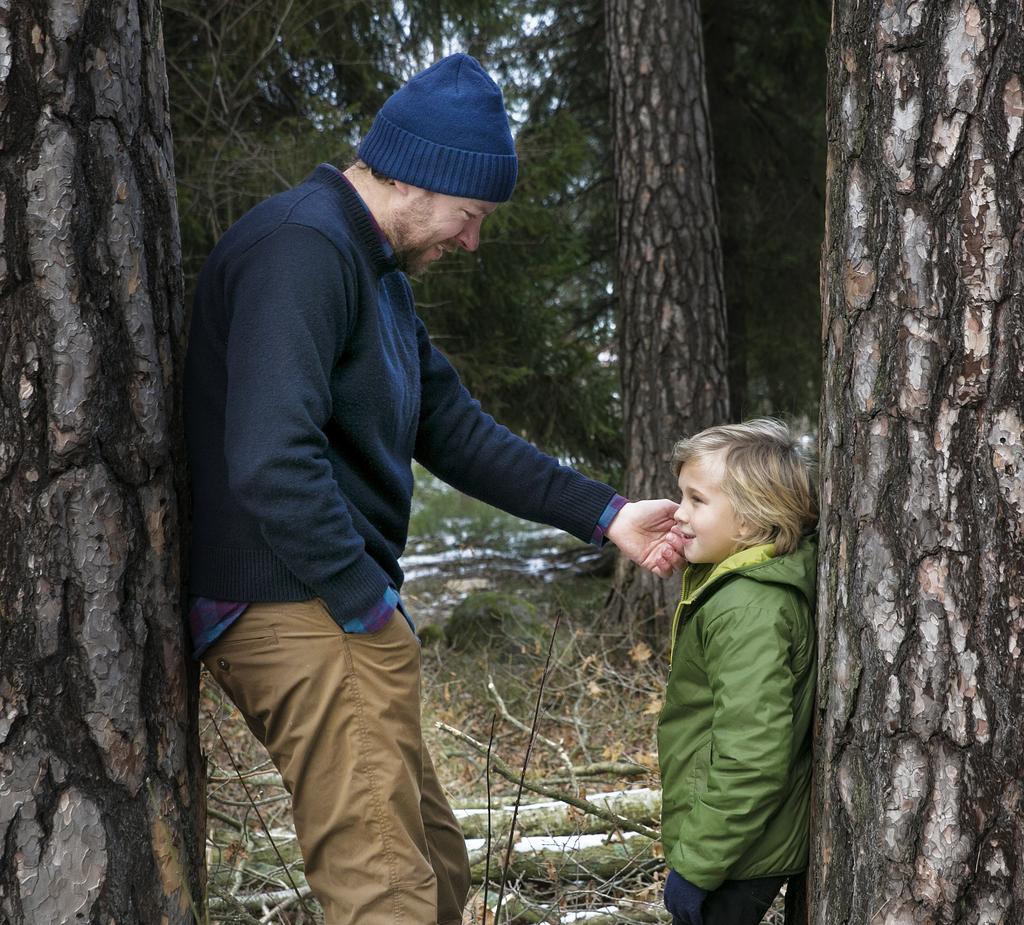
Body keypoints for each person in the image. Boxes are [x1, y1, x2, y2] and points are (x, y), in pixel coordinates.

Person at [184, 52, 684, 925]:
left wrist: (605, 515)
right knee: (389, 896)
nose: (472, 239)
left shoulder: (374, 274)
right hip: (296, 604)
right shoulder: (303, 248)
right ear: (421, 178)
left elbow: (455, 429)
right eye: (471, 214)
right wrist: (363, 602)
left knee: (437, 874)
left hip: (334, 606)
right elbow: (269, 456)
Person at [658, 419, 818, 925]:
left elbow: (751, 755)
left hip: (738, 854)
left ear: (749, 522)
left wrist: (696, 866)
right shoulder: (741, 586)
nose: (677, 514)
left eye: (696, 501)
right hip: (737, 842)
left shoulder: (747, 608)